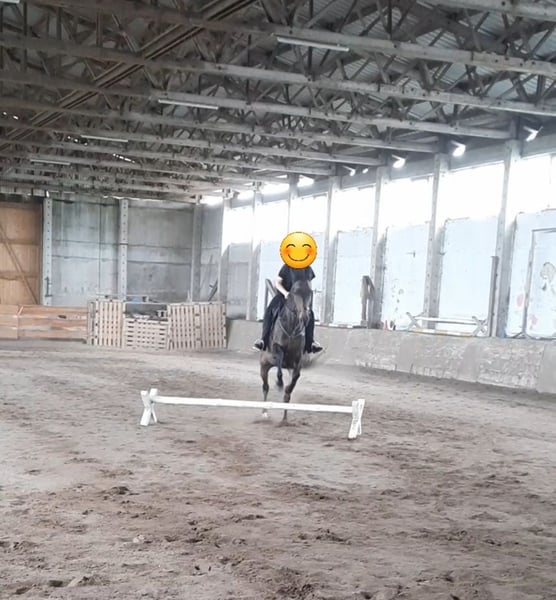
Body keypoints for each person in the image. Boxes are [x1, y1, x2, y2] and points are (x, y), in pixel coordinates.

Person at [253, 263, 323, 353]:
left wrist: (306, 299)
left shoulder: (308, 269)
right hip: (284, 295)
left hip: (300, 298)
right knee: (270, 310)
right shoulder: (287, 267)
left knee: (310, 314)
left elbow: (308, 285)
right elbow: (277, 283)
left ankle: (310, 343)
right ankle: (263, 340)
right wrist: (285, 293)